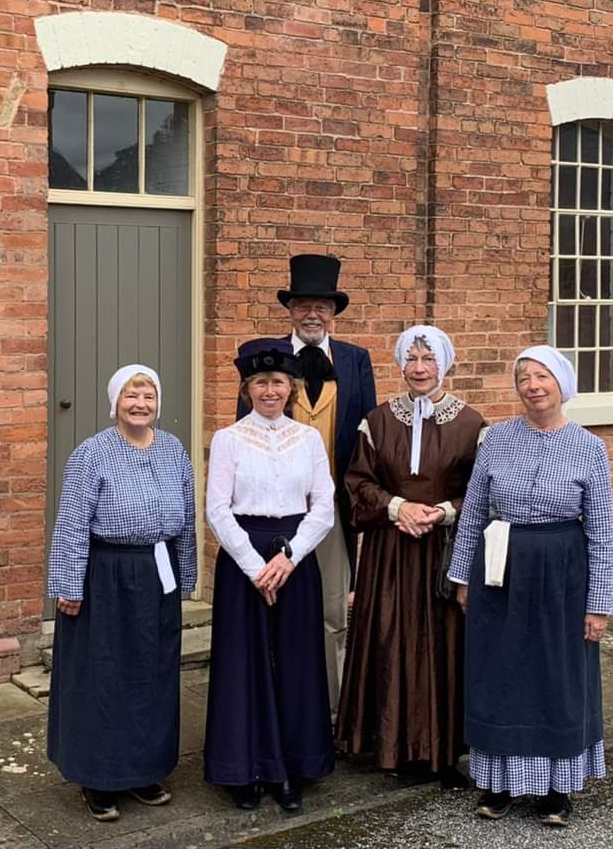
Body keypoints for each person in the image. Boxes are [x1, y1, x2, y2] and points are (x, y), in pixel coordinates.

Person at [449, 346, 613, 827]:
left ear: (562, 384)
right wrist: (463, 578)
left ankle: (555, 790)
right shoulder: (496, 440)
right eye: (524, 378)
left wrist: (598, 603)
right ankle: (498, 782)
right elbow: (474, 513)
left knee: (555, 675)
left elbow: (602, 531)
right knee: (499, 670)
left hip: (562, 573)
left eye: (542, 376)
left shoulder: (590, 448)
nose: (533, 386)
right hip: (499, 568)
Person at [46, 364, 197, 822]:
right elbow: (71, 522)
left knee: (152, 672)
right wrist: (70, 584)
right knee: (103, 675)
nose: (141, 405)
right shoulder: (92, 454)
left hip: (158, 569)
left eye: (148, 396)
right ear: (116, 402)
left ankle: (144, 770)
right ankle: (99, 777)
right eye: (132, 396)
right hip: (106, 573)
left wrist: (185, 573)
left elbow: (187, 515)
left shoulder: (173, 450)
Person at [336, 325, 485, 787]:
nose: (419, 368)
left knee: (441, 644)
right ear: (400, 364)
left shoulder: (471, 424)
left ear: (445, 363)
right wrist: (397, 507)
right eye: (411, 359)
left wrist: (441, 511)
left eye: (428, 359)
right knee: (389, 637)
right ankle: (389, 745)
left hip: (442, 551)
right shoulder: (377, 421)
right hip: (390, 549)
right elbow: (357, 481)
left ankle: (441, 751)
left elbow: (481, 491)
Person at [237, 253, 376, 712]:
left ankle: (331, 711)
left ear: (333, 312)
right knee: (277, 606)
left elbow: (366, 436)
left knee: (333, 610)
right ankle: (276, 703)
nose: (312, 314)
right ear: (290, 311)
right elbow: (244, 433)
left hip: (332, 507)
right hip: (277, 510)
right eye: (302, 306)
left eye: (321, 306)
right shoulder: (264, 359)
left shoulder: (356, 361)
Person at [205, 339, 336, 812]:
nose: (269, 391)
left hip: (294, 559)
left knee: (297, 662)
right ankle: (246, 768)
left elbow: (323, 506)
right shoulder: (229, 439)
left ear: (292, 388)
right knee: (245, 664)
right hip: (246, 561)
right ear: (246, 389)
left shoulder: (308, 441)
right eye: (260, 382)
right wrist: (257, 567)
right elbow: (217, 510)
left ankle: (293, 766)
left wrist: (289, 558)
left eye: (278, 382)